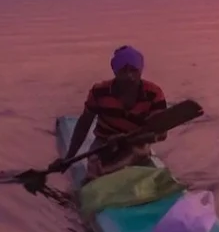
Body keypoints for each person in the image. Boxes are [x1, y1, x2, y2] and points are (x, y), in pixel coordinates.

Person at [59, 46, 168, 180]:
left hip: (137, 141)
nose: (129, 76)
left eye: (134, 70)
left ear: (140, 70)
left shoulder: (154, 93)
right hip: (104, 142)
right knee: (94, 161)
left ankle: (105, 172)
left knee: (134, 152)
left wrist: (125, 138)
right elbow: (84, 125)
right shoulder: (99, 91)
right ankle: (99, 173)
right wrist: (69, 158)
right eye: (123, 71)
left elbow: (161, 134)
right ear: (115, 71)